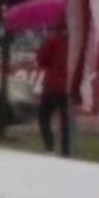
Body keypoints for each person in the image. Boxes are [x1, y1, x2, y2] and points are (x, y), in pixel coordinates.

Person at [34, 24, 71, 153]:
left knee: (43, 117)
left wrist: (44, 40)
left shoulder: (53, 40)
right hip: (69, 87)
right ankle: (66, 151)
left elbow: (41, 61)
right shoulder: (75, 43)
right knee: (66, 121)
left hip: (52, 86)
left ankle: (49, 147)